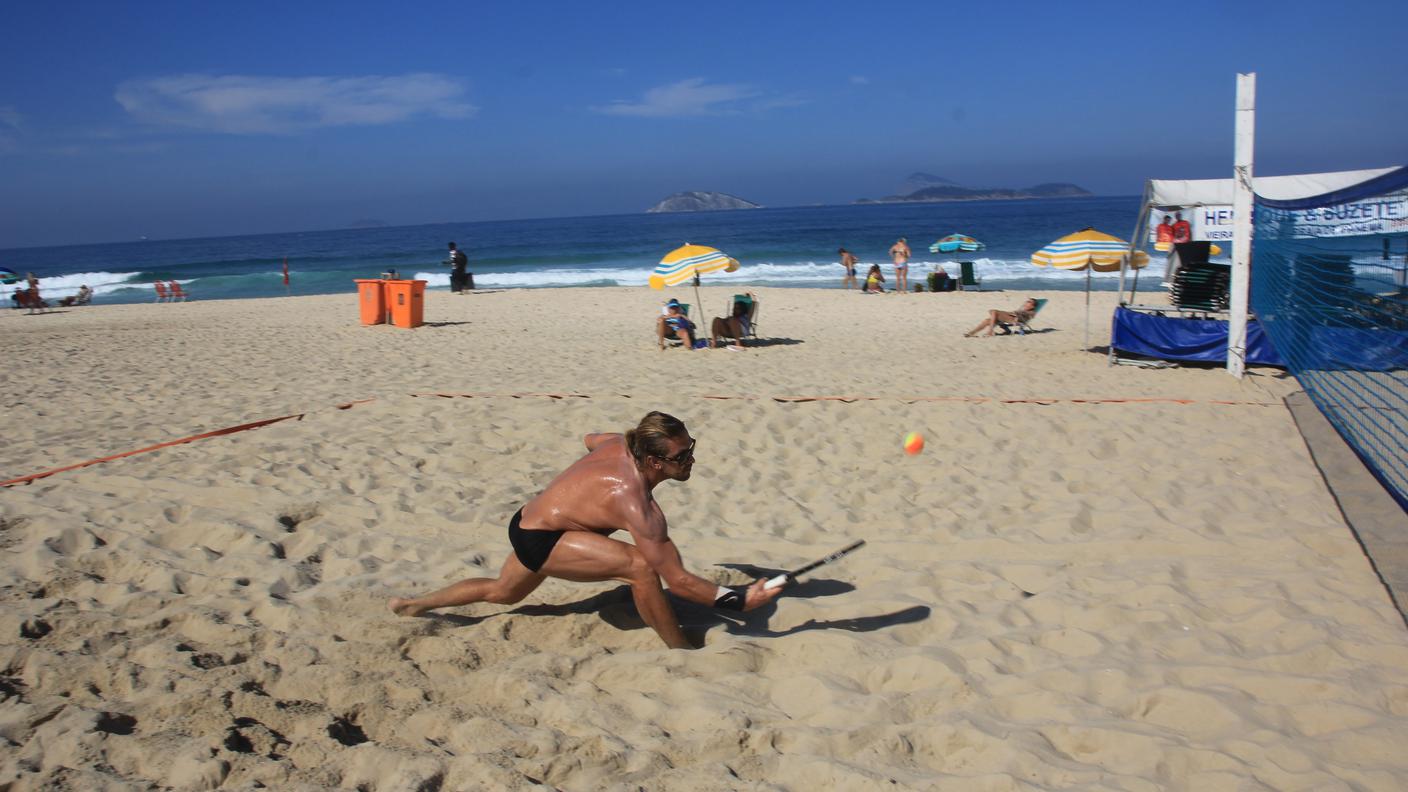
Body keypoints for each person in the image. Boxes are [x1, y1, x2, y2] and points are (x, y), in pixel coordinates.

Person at [389, 412, 782, 649]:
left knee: (501, 592)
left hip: (529, 518)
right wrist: (738, 601)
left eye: (691, 447)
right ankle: (679, 647)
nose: (691, 459)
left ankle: (412, 605)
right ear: (653, 460)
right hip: (545, 539)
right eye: (681, 456)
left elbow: (590, 439)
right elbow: (677, 580)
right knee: (641, 567)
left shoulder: (618, 442)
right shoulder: (637, 505)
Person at [964, 297, 1040, 337]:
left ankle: (990, 331)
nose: (1026, 302)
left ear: (1032, 306)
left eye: (1029, 302)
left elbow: (1022, 317)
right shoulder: (1024, 309)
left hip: (1013, 319)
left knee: (994, 312)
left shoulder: (1031, 312)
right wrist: (1021, 309)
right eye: (1027, 301)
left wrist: (1020, 311)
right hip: (1010, 315)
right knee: (987, 320)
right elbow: (1017, 312)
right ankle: (972, 333)